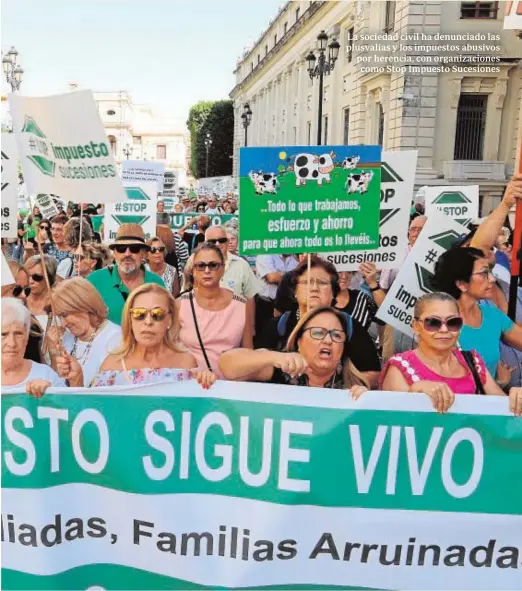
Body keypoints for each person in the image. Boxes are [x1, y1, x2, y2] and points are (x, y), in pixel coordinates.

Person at [380, 292, 522, 415]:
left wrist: (515, 398)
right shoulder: (400, 368)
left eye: (453, 322)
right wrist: (414, 392)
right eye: (433, 323)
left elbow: (503, 410)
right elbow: (393, 426)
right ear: (416, 326)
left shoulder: (472, 361)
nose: (444, 329)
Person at [257, 257, 381, 386]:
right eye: (306, 282)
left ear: (333, 292)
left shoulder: (348, 327)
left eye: (322, 282)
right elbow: (252, 366)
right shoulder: (280, 325)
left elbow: (376, 375)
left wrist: (343, 382)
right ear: (295, 291)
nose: (314, 288)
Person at [219, 306, 368, 395]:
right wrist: (273, 357)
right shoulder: (281, 370)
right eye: (317, 333)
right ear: (299, 341)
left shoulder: (353, 384)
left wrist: (364, 404)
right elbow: (227, 364)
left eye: (336, 335)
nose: (328, 340)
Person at [89, 284, 215, 387]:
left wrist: (207, 384)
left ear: (169, 320)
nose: (148, 322)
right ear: (130, 319)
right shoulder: (111, 366)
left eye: (157, 314)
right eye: (139, 314)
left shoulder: (186, 363)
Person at [434, 247, 522, 383]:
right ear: (461, 284)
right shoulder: (439, 325)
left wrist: (499, 384)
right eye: (484, 273)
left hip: (490, 401)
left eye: (490, 272)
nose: (492, 279)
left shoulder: (492, 315)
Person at [177, 242, 253, 377]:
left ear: (223, 269)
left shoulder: (242, 305)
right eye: (201, 266)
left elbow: (248, 355)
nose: (207, 271)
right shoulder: (180, 305)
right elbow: (171, 351)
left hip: (229, 386)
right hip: (191, 384)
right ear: (193, 271)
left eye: (213, 265)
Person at [45, 277, 122, 386]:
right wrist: (54, 352)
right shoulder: (68, 337)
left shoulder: (116, 340)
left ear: (84, 305)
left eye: (65, 315)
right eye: (59, 317)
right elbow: (58, 385)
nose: (63, 324)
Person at [87, 223, 165, 326]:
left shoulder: (156, 283)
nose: (127, 254)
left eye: (134, 249)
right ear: (114, 253)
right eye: (121, 248)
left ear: (143, 254)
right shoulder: (95, 280)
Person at [1, 298, 64, 391]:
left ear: (26, 338)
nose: (12, 343)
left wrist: (51, 395)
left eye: (18, 333)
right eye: (3, 334)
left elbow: (71, 403)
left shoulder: (45, 375)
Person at [255, 253, 299, 337]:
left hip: (288, 306)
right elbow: (272, 277)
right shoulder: (265, 254)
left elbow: (300, 278)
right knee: (265, 339)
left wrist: (280, 276)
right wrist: (291, 278)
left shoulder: (295, 258)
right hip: (266, 306)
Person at [25, 254, 57, 335]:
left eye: (37, 277)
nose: (30, 281)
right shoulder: (19, 299)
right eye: (27, 276)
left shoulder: (57, 302)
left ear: (49, 278)